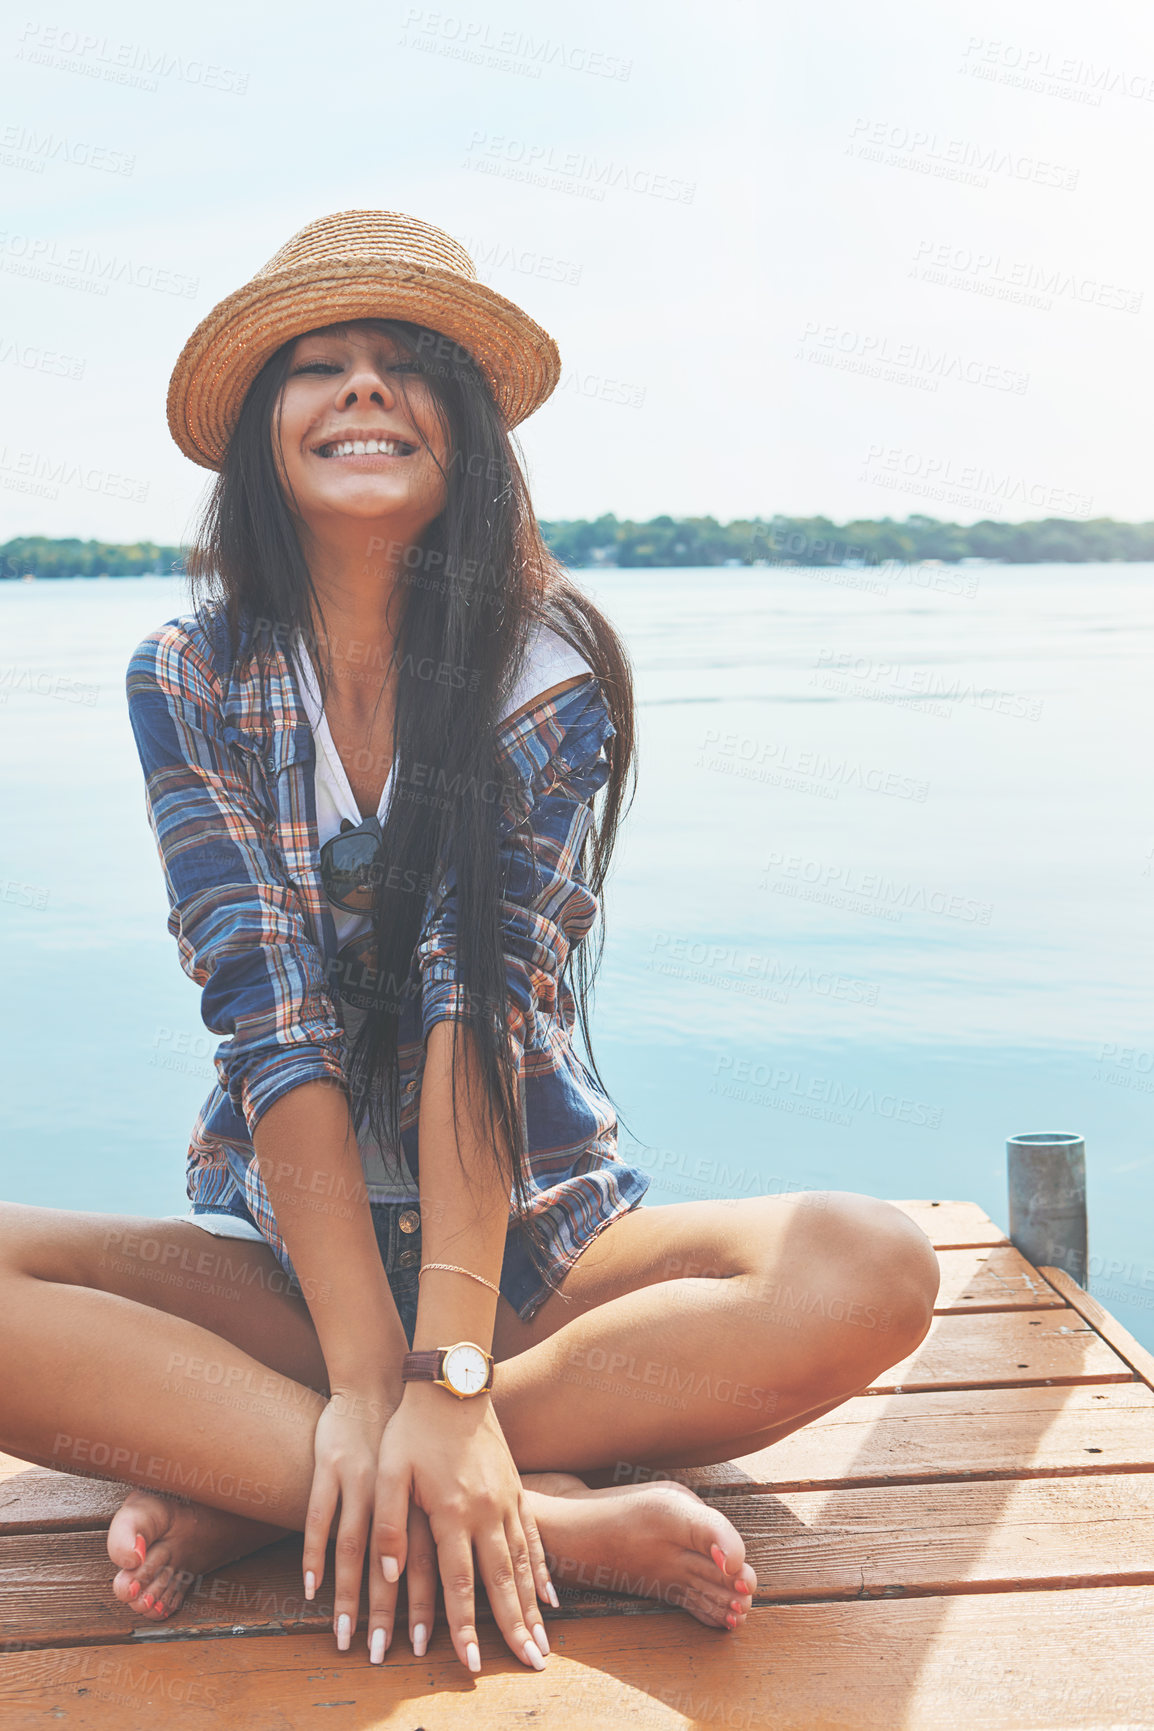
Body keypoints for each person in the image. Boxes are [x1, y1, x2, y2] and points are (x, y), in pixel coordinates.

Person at [0, 211, 940, 1677]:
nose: (363, 391)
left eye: (405, 366)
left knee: (871, 1265)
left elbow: (476, 1016)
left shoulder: (547, 667)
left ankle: (305, 1478)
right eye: (320, 364)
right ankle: (518, 1512)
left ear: (468, 433)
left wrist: (438, 1381)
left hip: (535, 1255)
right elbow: (269, 1021)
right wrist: (373, 1367)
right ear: (261, 434)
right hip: (297, 1272)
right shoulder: (187, 671)